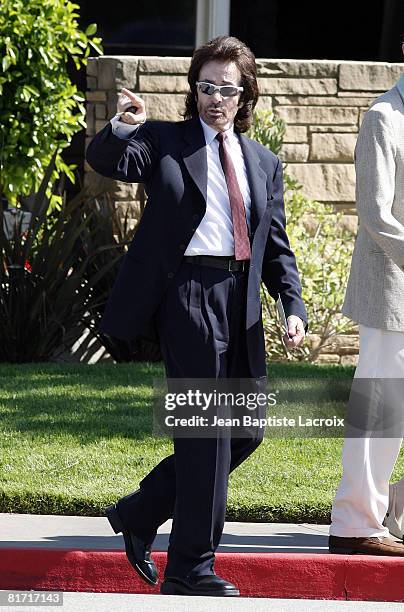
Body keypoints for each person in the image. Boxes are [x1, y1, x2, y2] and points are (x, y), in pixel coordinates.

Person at [86, 35, 307, 597]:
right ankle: (191, 568)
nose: (214, 98)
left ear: (244, 95)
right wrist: (122, 126)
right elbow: (107, 161)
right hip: (188, 293)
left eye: (225, 89)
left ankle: (141, 511)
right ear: (195, 89)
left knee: (246, 432)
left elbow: (274, 244)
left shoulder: (263, 162)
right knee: (205, 429)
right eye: (205, 86)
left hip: (242, 301)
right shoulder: (164, 140)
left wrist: (292, 303)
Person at [329, 39, 404, 556]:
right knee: (381, 408)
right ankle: (355, 523)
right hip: (390, 289)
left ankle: (392, 507)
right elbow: (376, 214)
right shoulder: (382, 117)